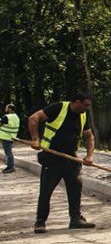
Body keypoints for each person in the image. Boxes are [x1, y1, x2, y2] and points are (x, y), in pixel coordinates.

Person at [27, 91, 96, 233]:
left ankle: (75, 219)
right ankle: (40, 222)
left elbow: (89, 136)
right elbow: (34, 118)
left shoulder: (83, 115)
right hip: (52, 158)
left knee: (75, 189)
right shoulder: (59, 108)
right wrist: (35, 138)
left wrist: (89, 155)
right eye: (85, 105)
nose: (87, 108)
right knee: (46, 191)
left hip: (72, 158)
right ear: (77, 102)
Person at [1, 104, 19, 174]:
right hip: (12, 136)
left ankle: (11, 167)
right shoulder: (16, 117)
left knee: (8, 153)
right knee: (8, 152)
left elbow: (1, 122)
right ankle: (9, 166)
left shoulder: (7, 117)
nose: (5, 109)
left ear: (10, 109)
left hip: (6, 136)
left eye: (6, 108)